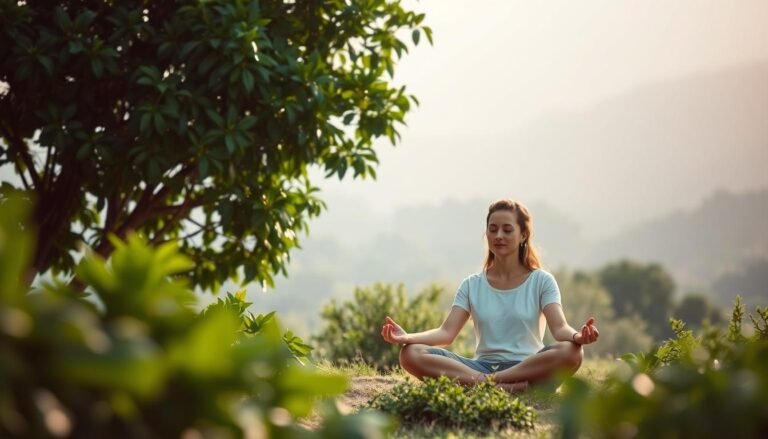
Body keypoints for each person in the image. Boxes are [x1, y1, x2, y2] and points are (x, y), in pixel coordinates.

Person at [380, 199, 599, 392]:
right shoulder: (472, 284)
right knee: (410, 354)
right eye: (492, 229)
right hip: (482, 366)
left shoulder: (542, 281)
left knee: (571, 352)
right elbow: (446, 333)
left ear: (523, 234)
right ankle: (497, 384)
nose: (498, 236)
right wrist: (407, 338)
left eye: (507, 229)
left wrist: (577, 337)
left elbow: (560, 328)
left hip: (529, 365)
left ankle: (483, 383)